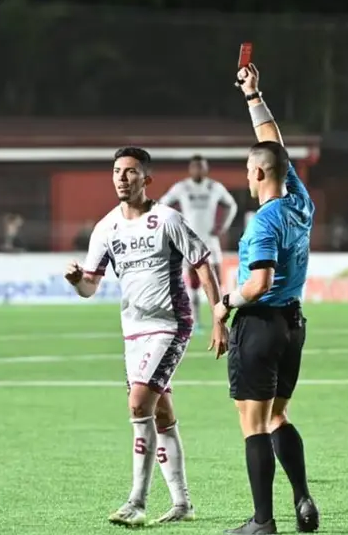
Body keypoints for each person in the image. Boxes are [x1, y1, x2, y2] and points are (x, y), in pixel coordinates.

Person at [63, 146, 226, 527]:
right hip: (133, 330)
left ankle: (136, 502)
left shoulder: (167, 219)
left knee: (139, 404)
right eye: (117, 171)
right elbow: (90, 286)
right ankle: (182, 504)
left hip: (171, 323)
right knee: (161, 412)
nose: (122, 177)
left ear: (146, 179)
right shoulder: (106, 228)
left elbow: (203, 263)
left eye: (131, 171)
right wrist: (76, 282)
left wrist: (218, 316)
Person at [211, 63, 317, 535]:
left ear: (257, 172)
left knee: (253, 424)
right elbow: (275, 146)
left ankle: (263, 521)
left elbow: (257, 282)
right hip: (294, 324)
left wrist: (224, 303)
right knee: (279, 415)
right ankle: (302, 498)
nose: (247, 178)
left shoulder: (261, 224)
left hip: (259, 324)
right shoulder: (300, 203)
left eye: (249, 171)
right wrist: (254, 96)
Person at [160, 154, 239, 330]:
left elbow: (231, 205)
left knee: (217, 280)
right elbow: (162, 205)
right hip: (190, 241)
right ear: (190, 169)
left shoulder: (214, 187)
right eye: (196, 167)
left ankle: (219, 318)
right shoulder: (182, 187)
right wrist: (175, 227)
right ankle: (196, 320)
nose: (199, 170)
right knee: (194, 281)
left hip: (211, 240)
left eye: (202, 167)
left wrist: (222, 226)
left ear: (206, 169)